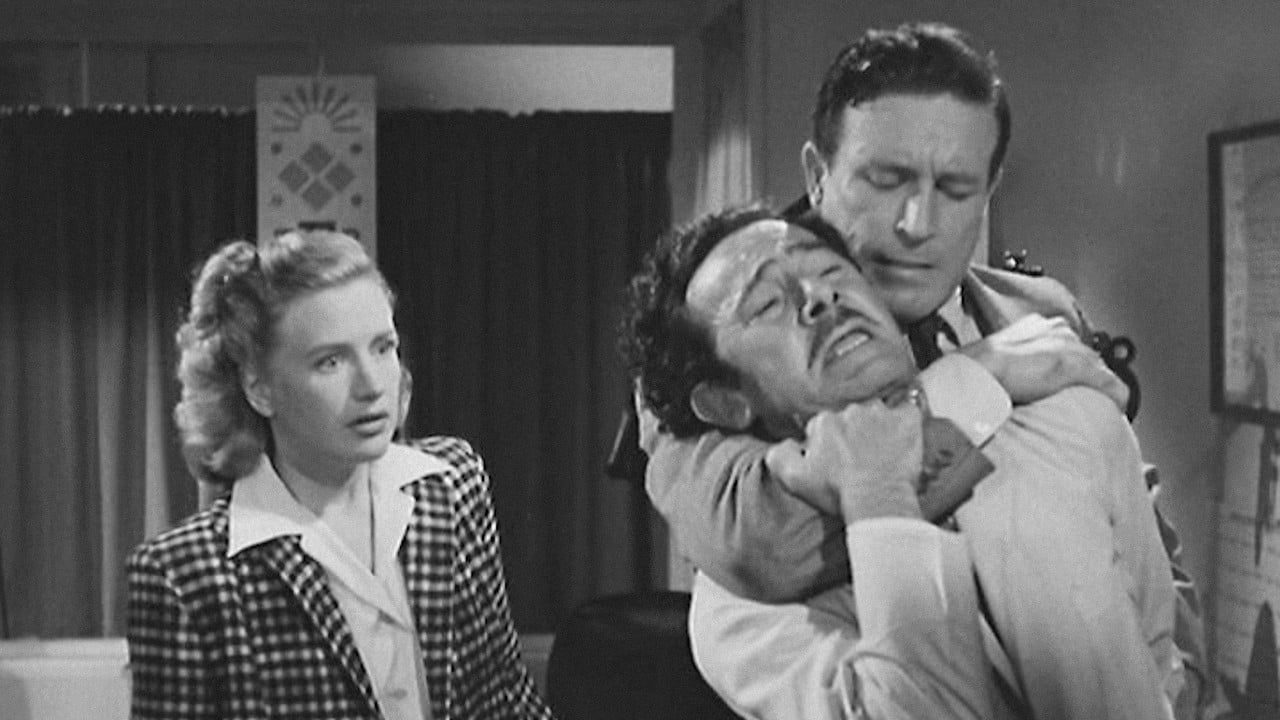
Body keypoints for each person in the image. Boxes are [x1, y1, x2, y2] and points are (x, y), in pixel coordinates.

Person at [637, 20, 1205, 717]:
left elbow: (1141, 535)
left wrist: (1187, 684)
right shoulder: (711, 350)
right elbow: (752, 538)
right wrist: (975, 381)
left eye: (957, 188)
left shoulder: (1037, 313)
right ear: (817, 176)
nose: (917, 223)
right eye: (886, 180)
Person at [623, 205, 1178, 718]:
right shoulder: (736, 616)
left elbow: (1161, 662)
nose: (819, 296)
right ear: (726, 402)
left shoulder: (1068, 418)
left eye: (832, 272)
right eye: (766, 304)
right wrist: (878, 494)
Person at [126, 230, 553, 720]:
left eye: (382, 348)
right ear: (260, 389)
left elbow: (509, 701)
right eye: (330, 361)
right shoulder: (185, 578)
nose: (372, 385)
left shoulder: (453, 487)